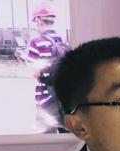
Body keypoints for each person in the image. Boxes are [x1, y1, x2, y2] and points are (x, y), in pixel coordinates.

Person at [25, 5, 68, 133]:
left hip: (45, 99)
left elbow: (35, 73)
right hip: (63, 98)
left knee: (47, 139)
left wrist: (28, 63)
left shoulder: (36, 42)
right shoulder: (64, 42)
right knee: (66, 138)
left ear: (40, 22)